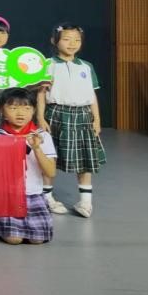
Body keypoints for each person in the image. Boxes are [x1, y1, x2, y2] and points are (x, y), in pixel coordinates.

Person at [0, 88, 56, 245]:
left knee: (37, 239)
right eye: (13, 108)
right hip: (5, 196)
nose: (21, 113)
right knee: (14, 239)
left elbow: (50, 172)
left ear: (34, 110)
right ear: (0, 110)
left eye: (27, 108)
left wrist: (37, 148)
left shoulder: (42, 136)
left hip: (32, 195)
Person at [37, 23, 104, 218]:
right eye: (66, 39)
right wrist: (40, 117)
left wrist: (97, 119)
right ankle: (47, 197)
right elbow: (41, 93)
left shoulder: (86, 66)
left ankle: (85, 202)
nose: (72, 43)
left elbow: (92, 95)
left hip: (83, 115)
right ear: (54, 41)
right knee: (50, 156)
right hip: (56, 114)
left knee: (84, 159)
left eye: (77, 40)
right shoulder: (47, 65)